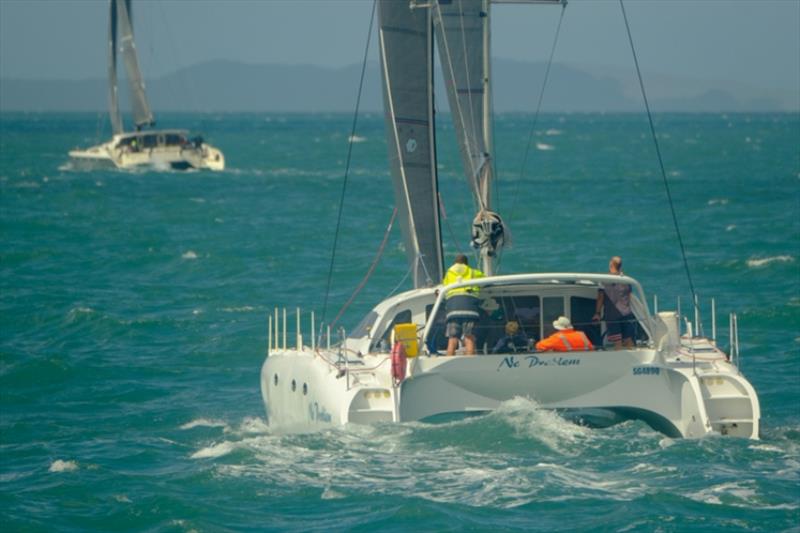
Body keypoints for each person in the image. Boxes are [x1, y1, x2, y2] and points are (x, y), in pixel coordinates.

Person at [442, 254, 484, 355]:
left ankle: (449, 358)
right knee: (469, 337)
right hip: (469, 309)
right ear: (466, 263)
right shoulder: (473, 272)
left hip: (453, 309)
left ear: (455, 264)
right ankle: (469, 360)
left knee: (452, 339)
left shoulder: (449, 273)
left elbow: (444, 285)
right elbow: (485, 279)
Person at [593, 256, 636, 348]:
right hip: (626, 314)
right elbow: (629, 296)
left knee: (617, 342)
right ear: (620, 266)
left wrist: (597, 313)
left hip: (612, 316)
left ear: (611, 265)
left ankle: (620, 361)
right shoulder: (626, 280)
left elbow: (600, 297)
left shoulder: (604, 281)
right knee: (628, 340)